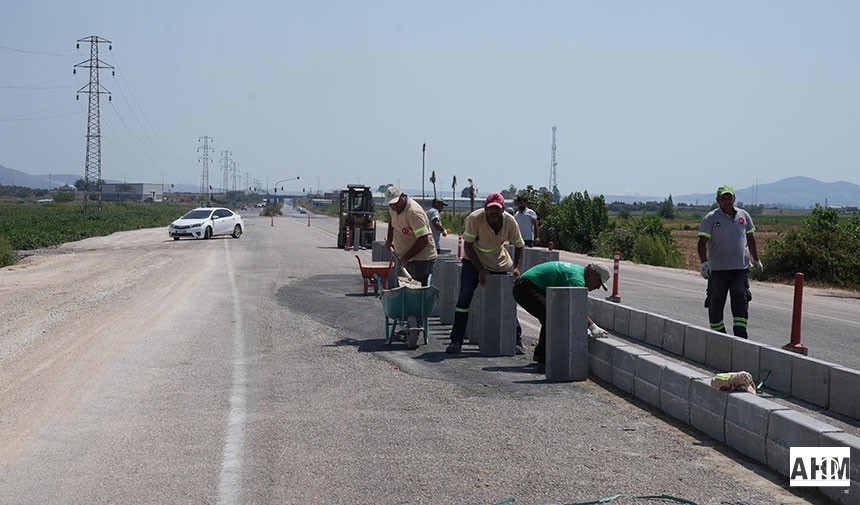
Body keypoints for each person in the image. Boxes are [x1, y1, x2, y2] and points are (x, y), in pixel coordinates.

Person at [446, 193, 525, 354]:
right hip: (473, 261)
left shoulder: (510, 222)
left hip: (498, 261)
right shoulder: (475, 219)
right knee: (465, 296)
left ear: (503, 209)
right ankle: (456, 340)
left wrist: (516, 268)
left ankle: (516, 339)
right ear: (485, 209)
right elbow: (467, 246)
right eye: (490, 209)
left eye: (497, 209)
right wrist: (480, 269)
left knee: (506, 299)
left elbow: (519, 245)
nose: (493, 212)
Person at [512, 261, 611, 364]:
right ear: (591, 273)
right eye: (598, 282)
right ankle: (543, 357)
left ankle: (542, 355)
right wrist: (592, 327)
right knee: (552, 317)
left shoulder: (577, 272)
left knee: (553, 316)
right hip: (524, 288)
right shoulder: (576, 279)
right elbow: (577, 309)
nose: (598, 287)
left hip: (527, 286)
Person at [697, 184, 762, 339]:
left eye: (729, 198)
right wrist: (704, 263)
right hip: (718, 270)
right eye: (723, 198)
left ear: (734, 198)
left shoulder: (743, 216)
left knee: (740, 297)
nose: (727, 201)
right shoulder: (712, 218)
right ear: (718, 200)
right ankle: (718, 334)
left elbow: (750, 238)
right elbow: (701, 242)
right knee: (716, 300)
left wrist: (756, 259)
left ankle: (740, 336)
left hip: (740, 269)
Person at [384, 186, 438, 286]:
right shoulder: (394, 208)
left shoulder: (414, 213)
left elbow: (423, 239)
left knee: (418, 291)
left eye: (396, 203)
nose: (394, 207)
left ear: (403, 196)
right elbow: (392, 222)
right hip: (407, 258)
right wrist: (389, 240)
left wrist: (406, 258)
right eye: (391, 204)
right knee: (408, 289)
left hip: (422, 261)